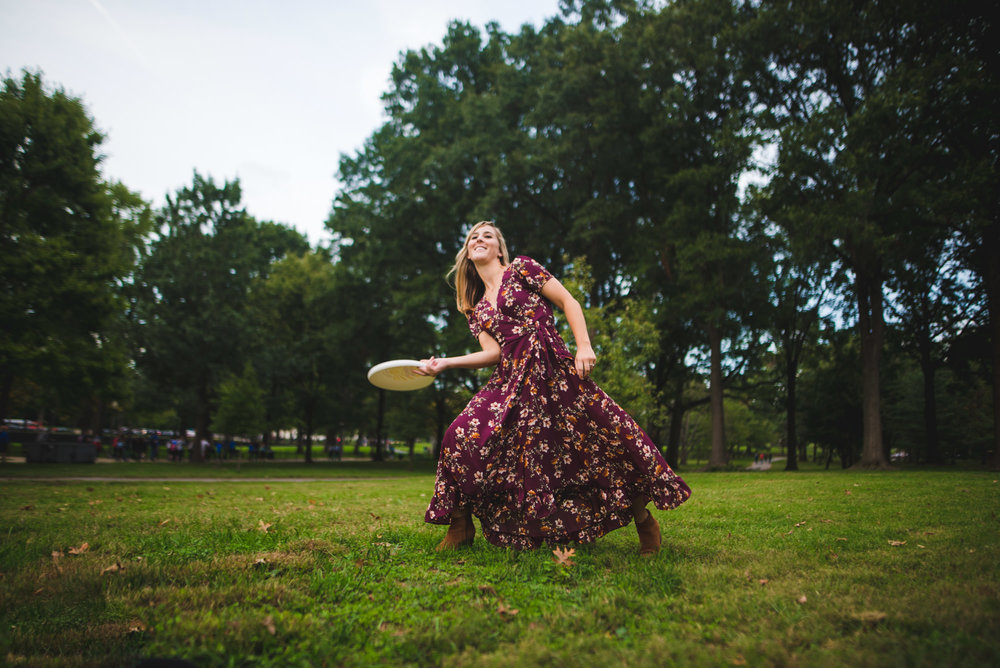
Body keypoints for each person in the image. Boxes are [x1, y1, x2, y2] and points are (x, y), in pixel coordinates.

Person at [417, 221, 691, 555]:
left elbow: (568, 301)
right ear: (467, 251)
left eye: (487, 236)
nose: (479, 239)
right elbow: (492, 353)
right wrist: (444, 362)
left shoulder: (521, 268)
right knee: (458, 435)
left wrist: (584, 346)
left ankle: (643, 519)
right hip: (510, 379)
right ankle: (460, 525)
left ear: (499, 249)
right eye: (473, 236)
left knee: (596, 444)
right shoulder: (475, 306)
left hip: (553, 370)